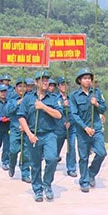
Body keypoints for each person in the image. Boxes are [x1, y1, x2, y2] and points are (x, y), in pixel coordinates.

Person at [18, 70, 63, 202]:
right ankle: (37, 190)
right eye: (42, 80)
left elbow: (59, 115)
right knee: (35, 164)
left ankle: (47, 184)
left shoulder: (54, 98)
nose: (45, 82)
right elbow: (21, 117)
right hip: (33, 135)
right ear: (36, 82)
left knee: (52, 159)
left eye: (47, 80)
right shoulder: (27, 98)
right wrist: (29, 134)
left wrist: (43, 107)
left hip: (49, 134)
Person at [70, 68, 107, 193]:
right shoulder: (74, 96)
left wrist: (96, 104)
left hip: (96, 129)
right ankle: (84, 181)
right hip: (82, 130)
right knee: (83, 157)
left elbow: (103, 109)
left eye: (89, 78)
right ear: (80, 80)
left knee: (102, 153)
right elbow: (74, 115)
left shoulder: (96, 92)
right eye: (85, 78)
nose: (87, 80)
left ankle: (91, 173)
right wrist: (85, 128)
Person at [5, 77, 31, 183]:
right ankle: (11, 165)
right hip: (15, 129)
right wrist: (18, 103)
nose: (22, 89)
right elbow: (7, 111)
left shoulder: (30, 98)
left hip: (26, 130)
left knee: (26, 153)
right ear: (16, 88)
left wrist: (26, 125)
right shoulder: (12, 99)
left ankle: (25, 173)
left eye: (24, 86)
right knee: (13, 150)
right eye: (20, 86)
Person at [55, 76, 77, 177]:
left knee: (71, 147)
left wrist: (70, 121)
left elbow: (75, 112)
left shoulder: (72, 97)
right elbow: (55, 112)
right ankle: (53, 162)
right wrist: (63, 121)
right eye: (62, 84)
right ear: (58, 86)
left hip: (71, 127)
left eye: (66, 84)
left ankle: (71, 168)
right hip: (59, 127)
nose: (64, 86)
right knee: (56, 147)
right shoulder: (55, 98)